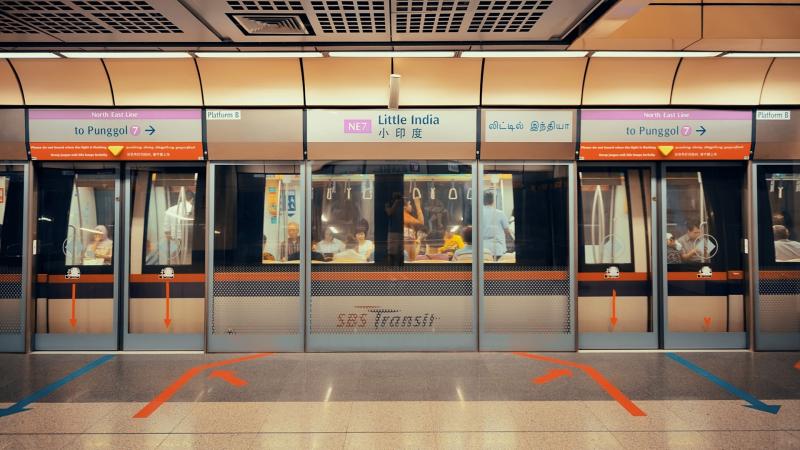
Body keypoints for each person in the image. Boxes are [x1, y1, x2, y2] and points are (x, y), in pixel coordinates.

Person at [163, 189, 194, 265]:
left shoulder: (170, 209)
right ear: (192, 199)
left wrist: (173, 240)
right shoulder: (193, 209)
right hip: (190, 241)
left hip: (175, 240)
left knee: (176, 263)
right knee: (188, 262)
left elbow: (166, 231)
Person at [481, 191, 510, 259]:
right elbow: (507, 231)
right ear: (493, 201)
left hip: (482, 248)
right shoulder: (500, 213)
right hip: (497, 248)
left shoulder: (477, 214)